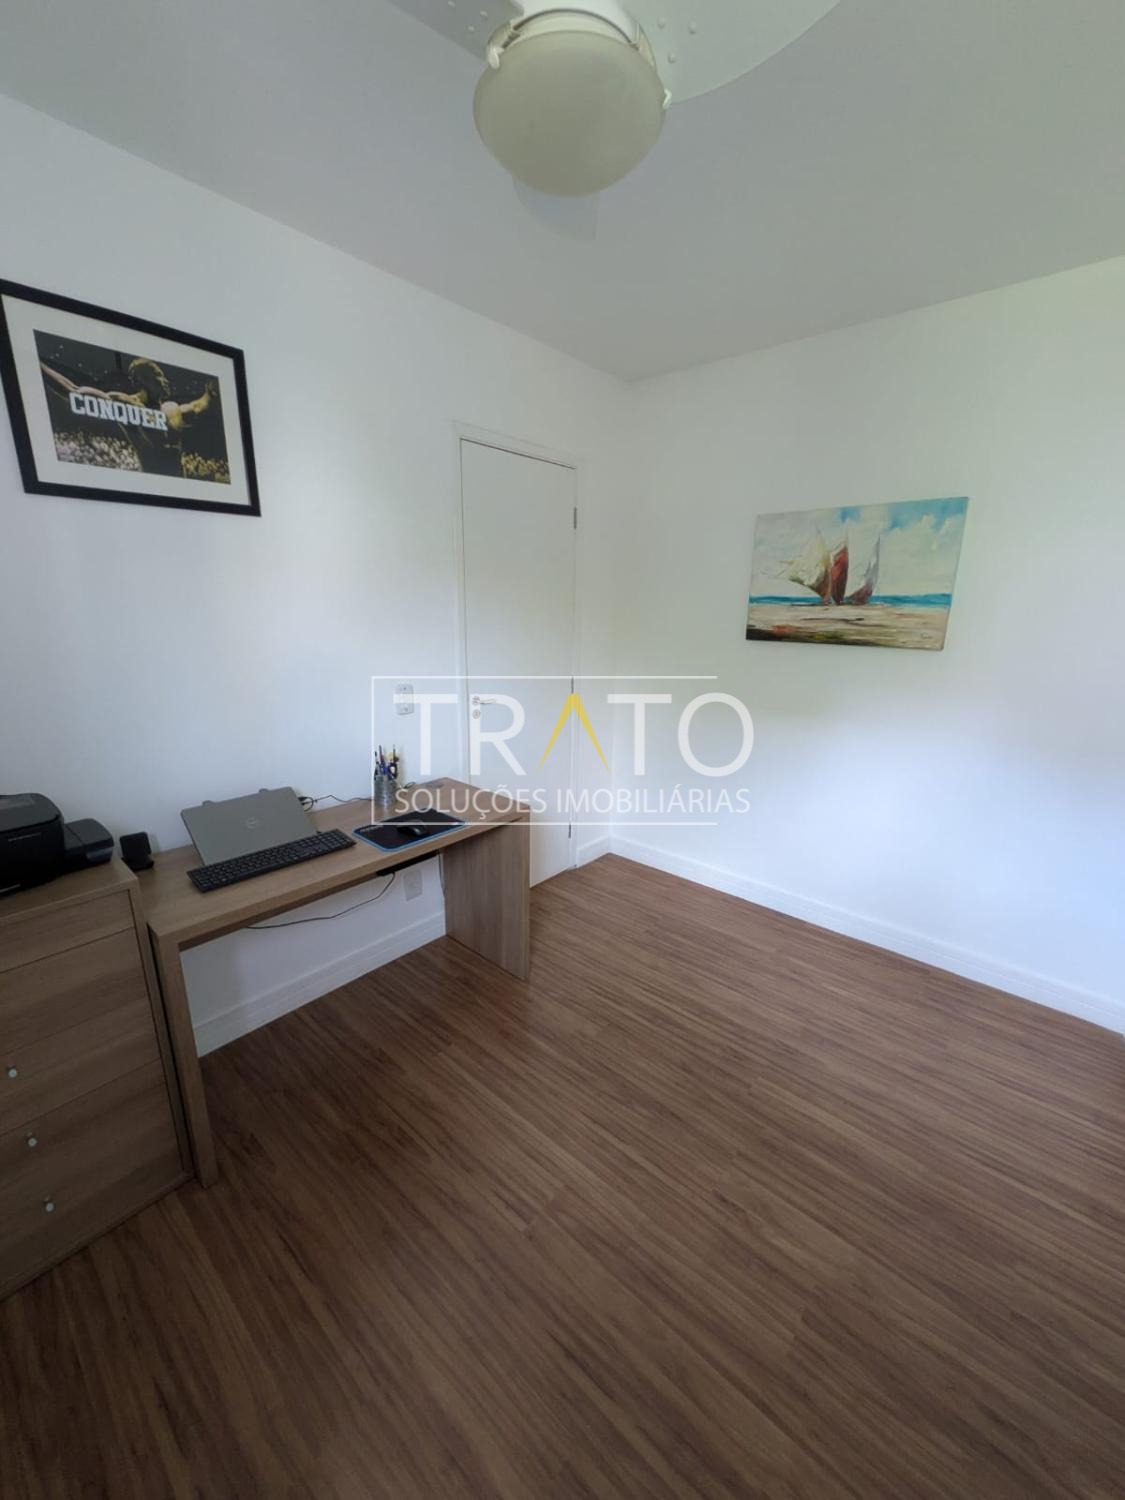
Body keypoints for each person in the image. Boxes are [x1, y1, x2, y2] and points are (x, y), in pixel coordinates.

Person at [40, 356, 223, 479]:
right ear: (141, 380)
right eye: (158, 375)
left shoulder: (173, 408)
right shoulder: (126, 404)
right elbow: (73, 391)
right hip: (153, 487)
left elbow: (201, 404)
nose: (165, 380)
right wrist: (34, 362)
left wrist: (213, 390)